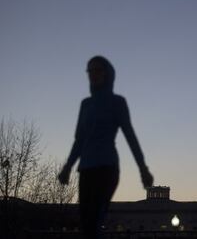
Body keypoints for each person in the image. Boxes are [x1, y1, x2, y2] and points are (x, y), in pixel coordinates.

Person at [58, 56, 153, 239]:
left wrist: (143, 169)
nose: (93, 74)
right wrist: (67, 167)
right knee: (86, 222)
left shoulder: (117, 102)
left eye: (98, 70)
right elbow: (79, 140)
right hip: (85, 169)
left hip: (107, 167)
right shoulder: (85, 104)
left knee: (95, 218)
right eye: (90, 71)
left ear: (107, 74)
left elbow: (130, 136)